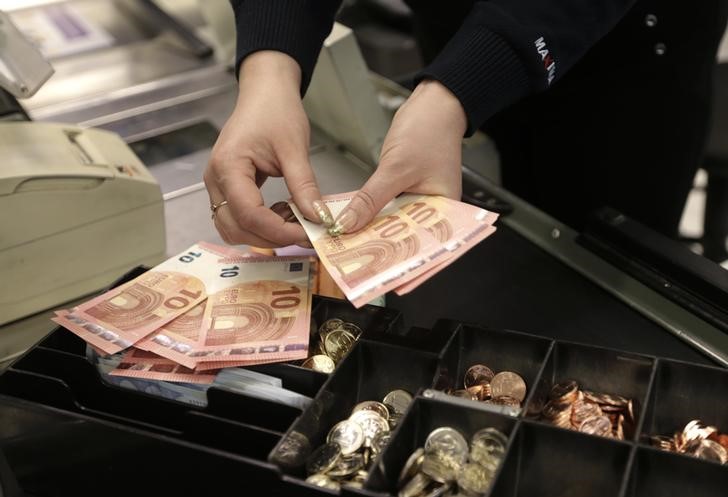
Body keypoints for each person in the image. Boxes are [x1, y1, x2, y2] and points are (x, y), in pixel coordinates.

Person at [205, 0, 728, 248]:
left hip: (621, 73)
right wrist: (270, 67)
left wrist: (459, 90)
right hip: (455, 41)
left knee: (597, 287)